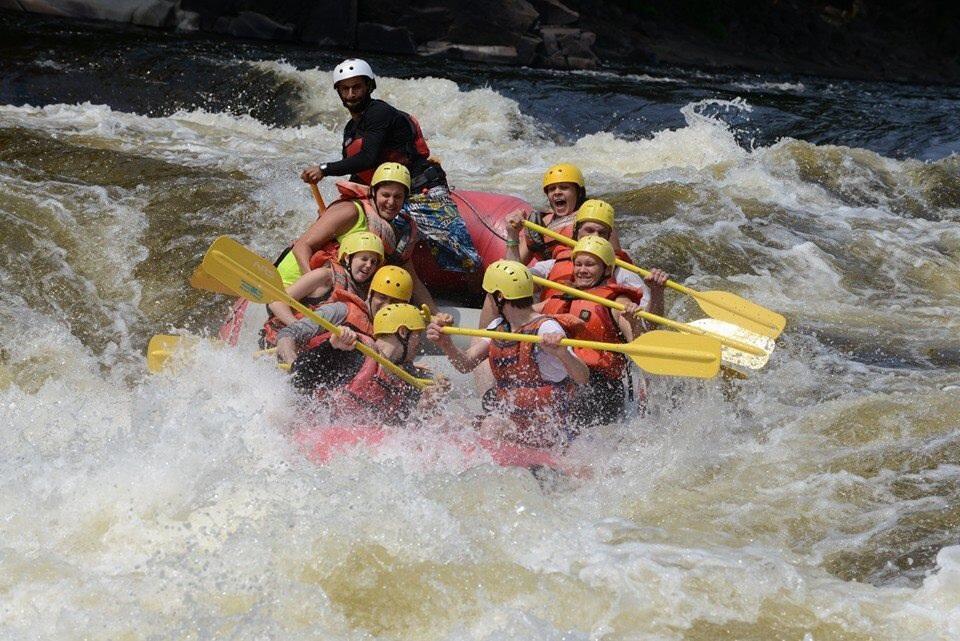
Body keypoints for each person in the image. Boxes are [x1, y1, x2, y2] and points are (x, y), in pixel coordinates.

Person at [300, 58, 481, 278]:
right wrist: (335, 211)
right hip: (387, 195)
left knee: (459, 251)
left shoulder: (380, 113)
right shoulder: (350, 129)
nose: (350, 94)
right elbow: (358, 175)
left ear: (369, 86)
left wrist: (324, 168)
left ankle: (479, 293)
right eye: (344, 89)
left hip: (420, 189)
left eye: (356, 87)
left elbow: (368, 158)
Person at [427, 260, 589, 449]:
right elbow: (466, 364)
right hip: (513, 422)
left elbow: (582, 377)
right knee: (442, 422)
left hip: (548, 429)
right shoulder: (498, 328)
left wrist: (563, 354)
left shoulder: (546, 328)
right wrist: (446, 344)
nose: (487, 300)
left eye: (489, 295)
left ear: (500, 297)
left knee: (492, 426)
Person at [279, 162, 437, 310]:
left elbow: (413, 281)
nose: (391, 202)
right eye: (385, 195)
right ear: (374, 192)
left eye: (398, 197)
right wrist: (312, 284)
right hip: (294, 284)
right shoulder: (351, 211)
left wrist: (435, 315)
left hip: (331, 291)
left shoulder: (395, 233)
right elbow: (301, 246)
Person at [538, 236, 648, 426]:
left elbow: (639, 346)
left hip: (601, 386)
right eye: (578, 264)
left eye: (590, 265)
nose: (582, 270)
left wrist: (633, 321)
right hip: (563, 378)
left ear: (606, 269)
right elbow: (526, 315)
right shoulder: (563, 295)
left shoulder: (617, 302)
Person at [505, 199, 669, 315]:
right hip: (552, 339)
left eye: (601, 233)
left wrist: (656, 293)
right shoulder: (553, 264)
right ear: (576, 233)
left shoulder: (621, 273)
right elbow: (511, 282)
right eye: (589, 231)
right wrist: (512, 235)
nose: (595, 236)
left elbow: (650, 324)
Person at [315, 303, 448, 426]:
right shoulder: (355, 350)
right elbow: (299, 378)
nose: (420, 344)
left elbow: (401, 426)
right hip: (325, 432)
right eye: (417, 335)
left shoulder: (403, 378)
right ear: (403, 332)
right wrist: (329, 348)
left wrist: (424, 407)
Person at [260, 231, 383, 349]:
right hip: (281, 338)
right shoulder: (325, 276)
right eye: (364, 259)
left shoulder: (362, 294)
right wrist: (300, 328)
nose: (368, 265)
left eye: (373, 262)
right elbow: (276, 302)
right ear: (347, 258)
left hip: (315, 346)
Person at [276, 265, 414, 367]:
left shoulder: (396, 332)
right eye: (382, 298)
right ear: (370, 295)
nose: (386, 306)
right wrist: (293, 364)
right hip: (309, 368)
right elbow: (288, 333)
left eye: (395, 302)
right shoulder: (341, 311)